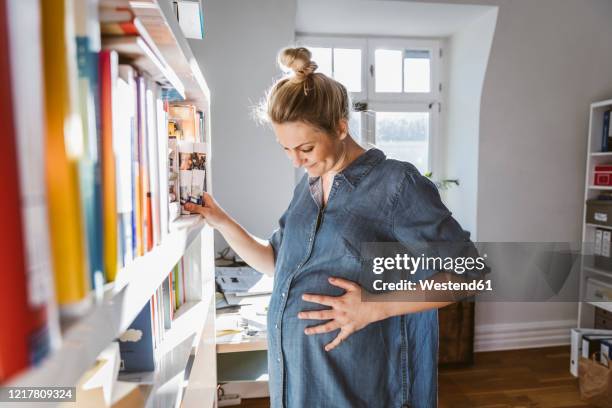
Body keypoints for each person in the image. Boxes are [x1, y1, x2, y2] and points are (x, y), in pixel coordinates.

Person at [185, 47, 487, 408]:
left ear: (341, 127)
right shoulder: (309, 187)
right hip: (298, 387)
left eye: (306, 147)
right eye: (285, 149)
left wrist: (374, 307)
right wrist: (221, 221)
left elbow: (471, 274)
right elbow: (277, 263)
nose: (296, 160)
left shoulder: (395, 184)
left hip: (360, 388)